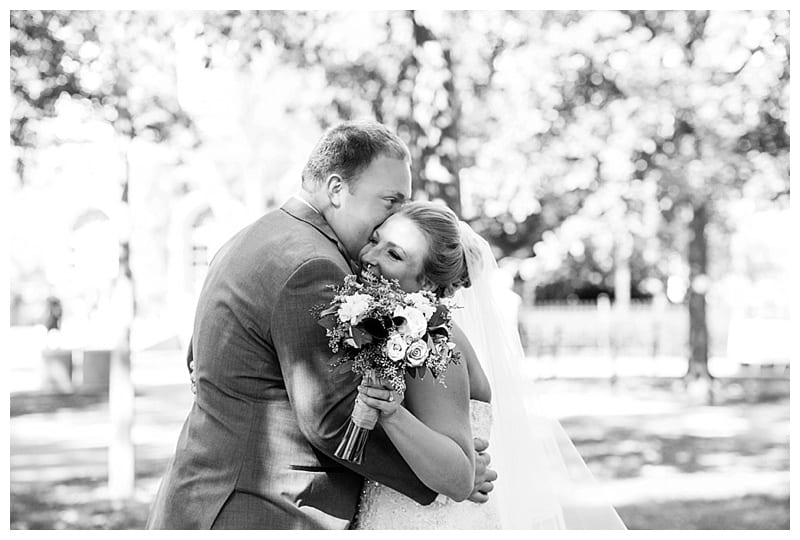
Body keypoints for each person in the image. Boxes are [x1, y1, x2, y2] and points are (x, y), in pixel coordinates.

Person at [146, 121, 495, 529]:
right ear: (335, 189)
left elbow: (196, 362)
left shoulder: (250, 239)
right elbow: (331, 419)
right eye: (390, 200)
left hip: (202, 495)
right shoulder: (313, 267)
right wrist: (446, 476)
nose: (398, 213)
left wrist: (448, 465)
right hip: (257, 511)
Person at [351, 201, 628, 529]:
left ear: (426, 283)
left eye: (394, 254)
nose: (369, 257)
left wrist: (391, 413)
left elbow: (459, 477)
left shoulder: (430, 340)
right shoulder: (392, 330)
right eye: (374, 240)